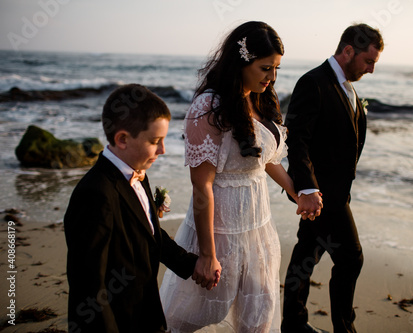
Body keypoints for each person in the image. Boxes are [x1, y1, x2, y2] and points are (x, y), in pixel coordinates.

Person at [159, 21, 298, 332]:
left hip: (258, 227)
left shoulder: (261, 97)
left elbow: (267, 160)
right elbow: (201, 186)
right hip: (218, 230)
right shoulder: (208, 107)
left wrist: (296, 191)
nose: (272, 77)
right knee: (184, 318)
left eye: (276, 68)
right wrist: (207, 255)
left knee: (258, 316)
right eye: (265, 68)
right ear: (242, 61)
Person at [64, 84, 215, 333]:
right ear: (122, 139)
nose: (163, 150)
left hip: (146, 312)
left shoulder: (139, 175)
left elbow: (152, 235)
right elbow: (88, 285)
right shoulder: (96, 194)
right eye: (155, 141)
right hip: (118, 320)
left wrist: (192, 265)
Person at [281, 24, 384, 333]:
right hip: (322, 195)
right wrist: (308, 187)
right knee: (351, 258)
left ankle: (294, 324)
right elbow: (296, 138)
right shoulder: (313, 83)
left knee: (306, 255)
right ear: (348, 51)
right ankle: (344, 329)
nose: (371, 69)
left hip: (337, 193)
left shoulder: (349, 88)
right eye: (368, 61)